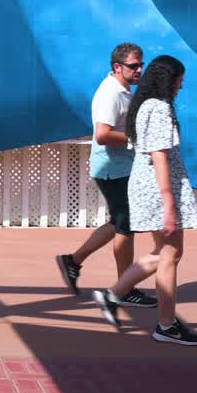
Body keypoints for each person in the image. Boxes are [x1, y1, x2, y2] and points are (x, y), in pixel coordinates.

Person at [93, 55, 197, 346]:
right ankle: (166, 325)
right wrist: (168, 202)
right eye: (179, 80)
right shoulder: (159, 108)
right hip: (158, 188)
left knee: (163, 252)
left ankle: (112, 294)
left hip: (146, 185)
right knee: (170, 255)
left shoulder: (143, 106)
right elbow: (158, 154)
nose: (181, 86)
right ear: (168, 80)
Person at [55, 43, 157, 308]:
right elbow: (102, 134)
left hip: (120, 166)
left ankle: (73, 261)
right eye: (134, 66)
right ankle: (124, 288)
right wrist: (136, 139)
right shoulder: (111, 93)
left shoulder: (123, 90)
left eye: (141, 65)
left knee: (119, 222)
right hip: (113, 168)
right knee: (126, 225)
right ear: (117, 67)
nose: (139, 70)